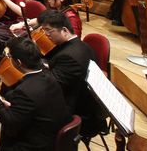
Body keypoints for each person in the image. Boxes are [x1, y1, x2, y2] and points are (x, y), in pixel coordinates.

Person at [0, 38, 69, 151]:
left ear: (18, 62)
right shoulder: (47, 75)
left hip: (31, 144)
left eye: (9, 57)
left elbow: (10, 125)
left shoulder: (26, 91)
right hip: (39, 129)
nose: (7, 59)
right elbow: (31, 107)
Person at [36, 9, 105, 143]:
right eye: (44, 31)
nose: (46, 35)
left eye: (49, 31)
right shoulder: (81, 46)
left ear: (64, 30)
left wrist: (36, 68)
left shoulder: (70, 57)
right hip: (74, 96)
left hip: (74, 111)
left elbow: (52, 88)